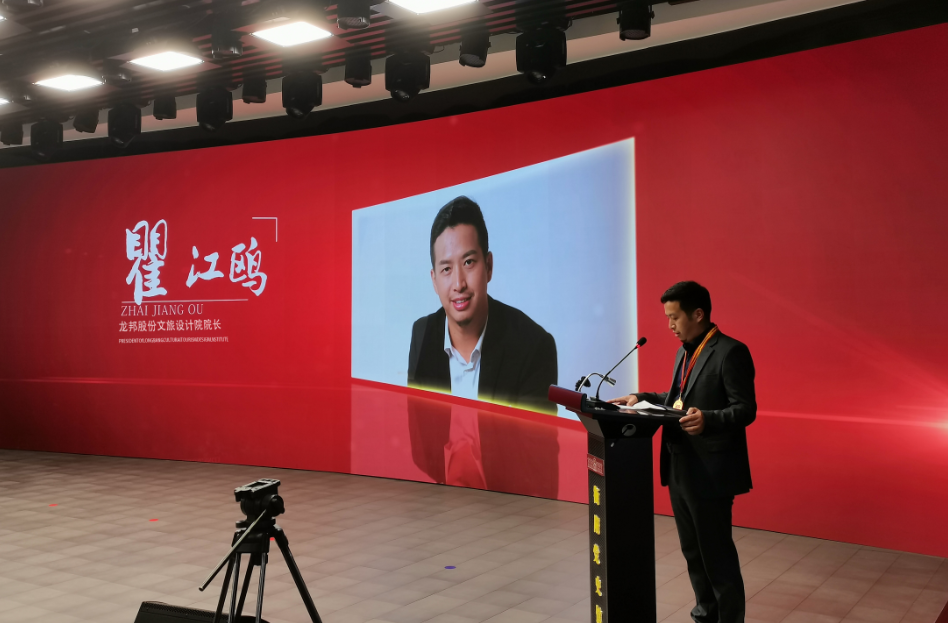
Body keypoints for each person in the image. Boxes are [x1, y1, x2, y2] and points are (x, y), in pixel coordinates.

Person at [611, 281, 756, 623]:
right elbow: (677, 399)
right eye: (667, 318)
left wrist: (708, 419)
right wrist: (641, 398)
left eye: (674, 317)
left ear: (698, 314)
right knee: (692, 553)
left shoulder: (731, 352)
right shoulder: (684, 352)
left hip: (710, 470)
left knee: (716, 556)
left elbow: (745, 409)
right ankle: (705, 614)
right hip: (679, 465)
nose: (670, 325)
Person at [407, 196, 558, 414]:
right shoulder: (422, 335)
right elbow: (419, 431)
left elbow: (535, 437)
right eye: (446, 269)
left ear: (488, 266)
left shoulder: (533, 347)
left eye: (468, 262)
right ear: (434, 280)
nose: (458, 284)